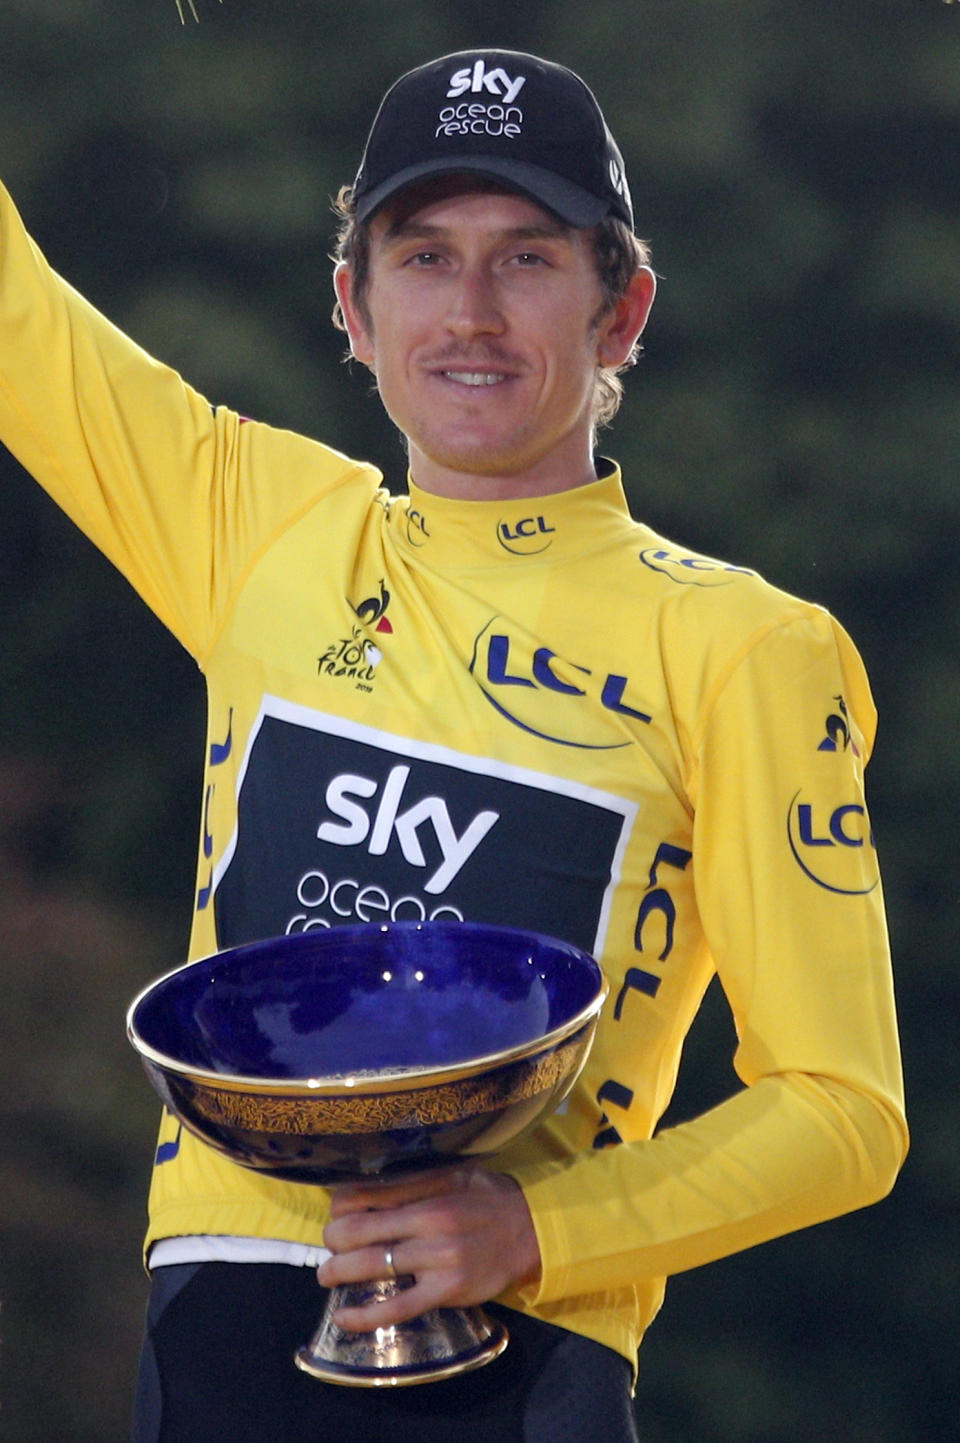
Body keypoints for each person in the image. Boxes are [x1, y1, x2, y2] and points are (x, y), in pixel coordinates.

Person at [0, 47, 907, 1443]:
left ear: (625, 309)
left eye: (527, 259)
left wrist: (533, 1228)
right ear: (352, 309)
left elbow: (845, 1110)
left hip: (527, 1356)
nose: (469, 313)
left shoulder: (747, 647)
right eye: (423, 257)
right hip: (215, 1335)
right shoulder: (266, 530)